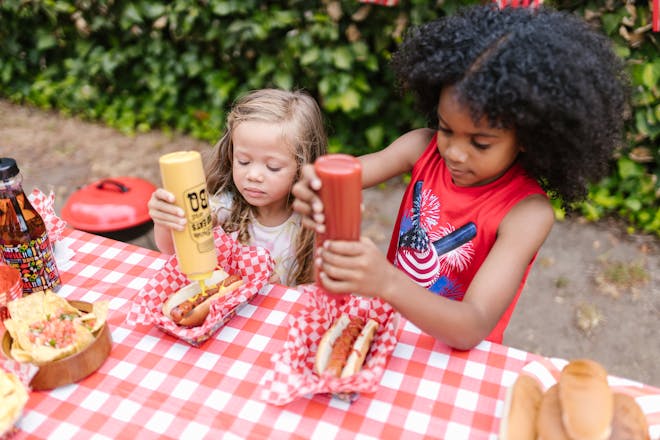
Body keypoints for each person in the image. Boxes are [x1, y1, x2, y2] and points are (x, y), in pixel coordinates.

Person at [292, 5, 629, 349]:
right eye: (445, 128)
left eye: (480, 143)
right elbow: (345, 177)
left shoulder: (526, 213)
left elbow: (472, 325)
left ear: (528, 138)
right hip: (385, 332)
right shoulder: (420, 148)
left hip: (452, 357)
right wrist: (317, 186)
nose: (454, 152)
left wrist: (386, 282)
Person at [149, 88, 328, 286]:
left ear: (304, 167)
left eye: (272, 167)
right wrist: (166, 221)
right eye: (243, 161)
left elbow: (320, 292)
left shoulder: (311, 224)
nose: (253, 175)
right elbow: (171, 250)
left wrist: (278, 291)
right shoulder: (224, 206)